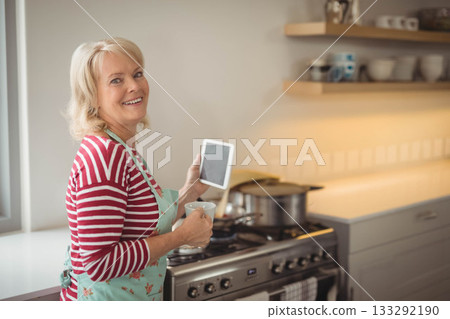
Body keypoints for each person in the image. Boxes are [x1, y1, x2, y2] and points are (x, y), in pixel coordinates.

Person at [59, 38, 213, 301]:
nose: (135, 86)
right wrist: (182, 236)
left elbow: (143, 225)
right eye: (116, 80)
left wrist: (191, 190)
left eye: (137, 74)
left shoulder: (121, 147)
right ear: (92, 95)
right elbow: (100, 264)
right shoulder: (104, 157)